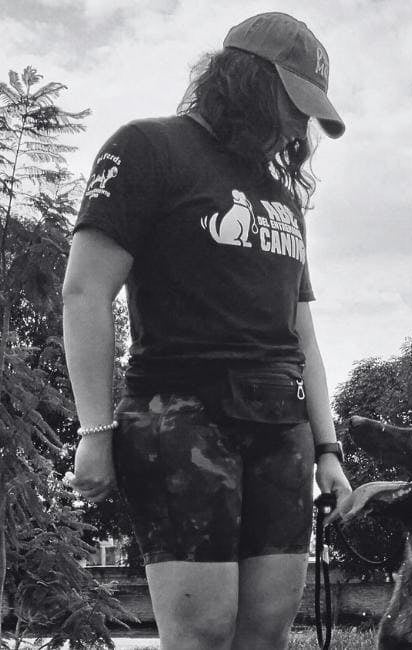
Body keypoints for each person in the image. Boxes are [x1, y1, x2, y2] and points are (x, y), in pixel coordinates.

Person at [62, 12, 351, 650]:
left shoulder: (284, 196)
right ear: (246, 81)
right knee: (202, 635)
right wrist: (94, 430)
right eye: (290, 103)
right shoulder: (146, 148)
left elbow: (303, 334)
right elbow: (85, 292)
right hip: (182, 416)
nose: (295, 126)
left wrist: (328, 450)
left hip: (282, 425)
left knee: (266, 635)